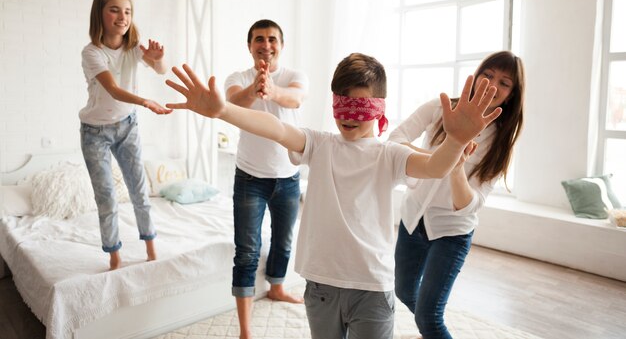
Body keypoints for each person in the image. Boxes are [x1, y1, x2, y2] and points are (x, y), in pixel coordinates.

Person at [165, 52, 501, 339]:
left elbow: (435, 167)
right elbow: (277, 129)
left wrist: (455, 141)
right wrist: (224, 111)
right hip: (321, 286)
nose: (347, 116)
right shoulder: (320, 145)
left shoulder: (390, 155)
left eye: (359, 106)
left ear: (379, 107)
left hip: (372, 288)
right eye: (341, 104)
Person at [389, 51, 525, 339]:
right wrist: (444, 153)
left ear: (511, 95)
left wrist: (456, 166)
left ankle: (430, 330)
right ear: (475, 77)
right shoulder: (441, 110)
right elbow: (395, 141)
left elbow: (470, 205)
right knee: (403, 291)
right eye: (487, 75)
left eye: (504, 83)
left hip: (452, 233)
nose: (491, 85)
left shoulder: (501, 142)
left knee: (429, 316)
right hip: (413, 218)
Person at [224, 19, 308, 339]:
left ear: (281, 45)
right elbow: (235, 103)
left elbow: (295, 98)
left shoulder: (294, 76)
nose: (266, 44)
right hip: (250, 178)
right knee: (247, 249)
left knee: (284, 242)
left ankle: (276, 288)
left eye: (272, 39)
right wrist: (256, 85)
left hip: (288, 177)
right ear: (250, 46)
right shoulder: (238, 77)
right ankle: (246, 330)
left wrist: (271, 88)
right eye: (259, 39)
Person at [79, 0, 172, 271]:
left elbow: (161, 70)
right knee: (107, 198)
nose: (123, 17)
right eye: (115, 10)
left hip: (127, 127)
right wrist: (145, 101)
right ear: (100, 14)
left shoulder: (133, 47)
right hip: (95, 133)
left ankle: (151, 250)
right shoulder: (92, 52)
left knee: (139, 192)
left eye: (128, 11)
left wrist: (157, 59)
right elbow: (114, 89)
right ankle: (115, 257)